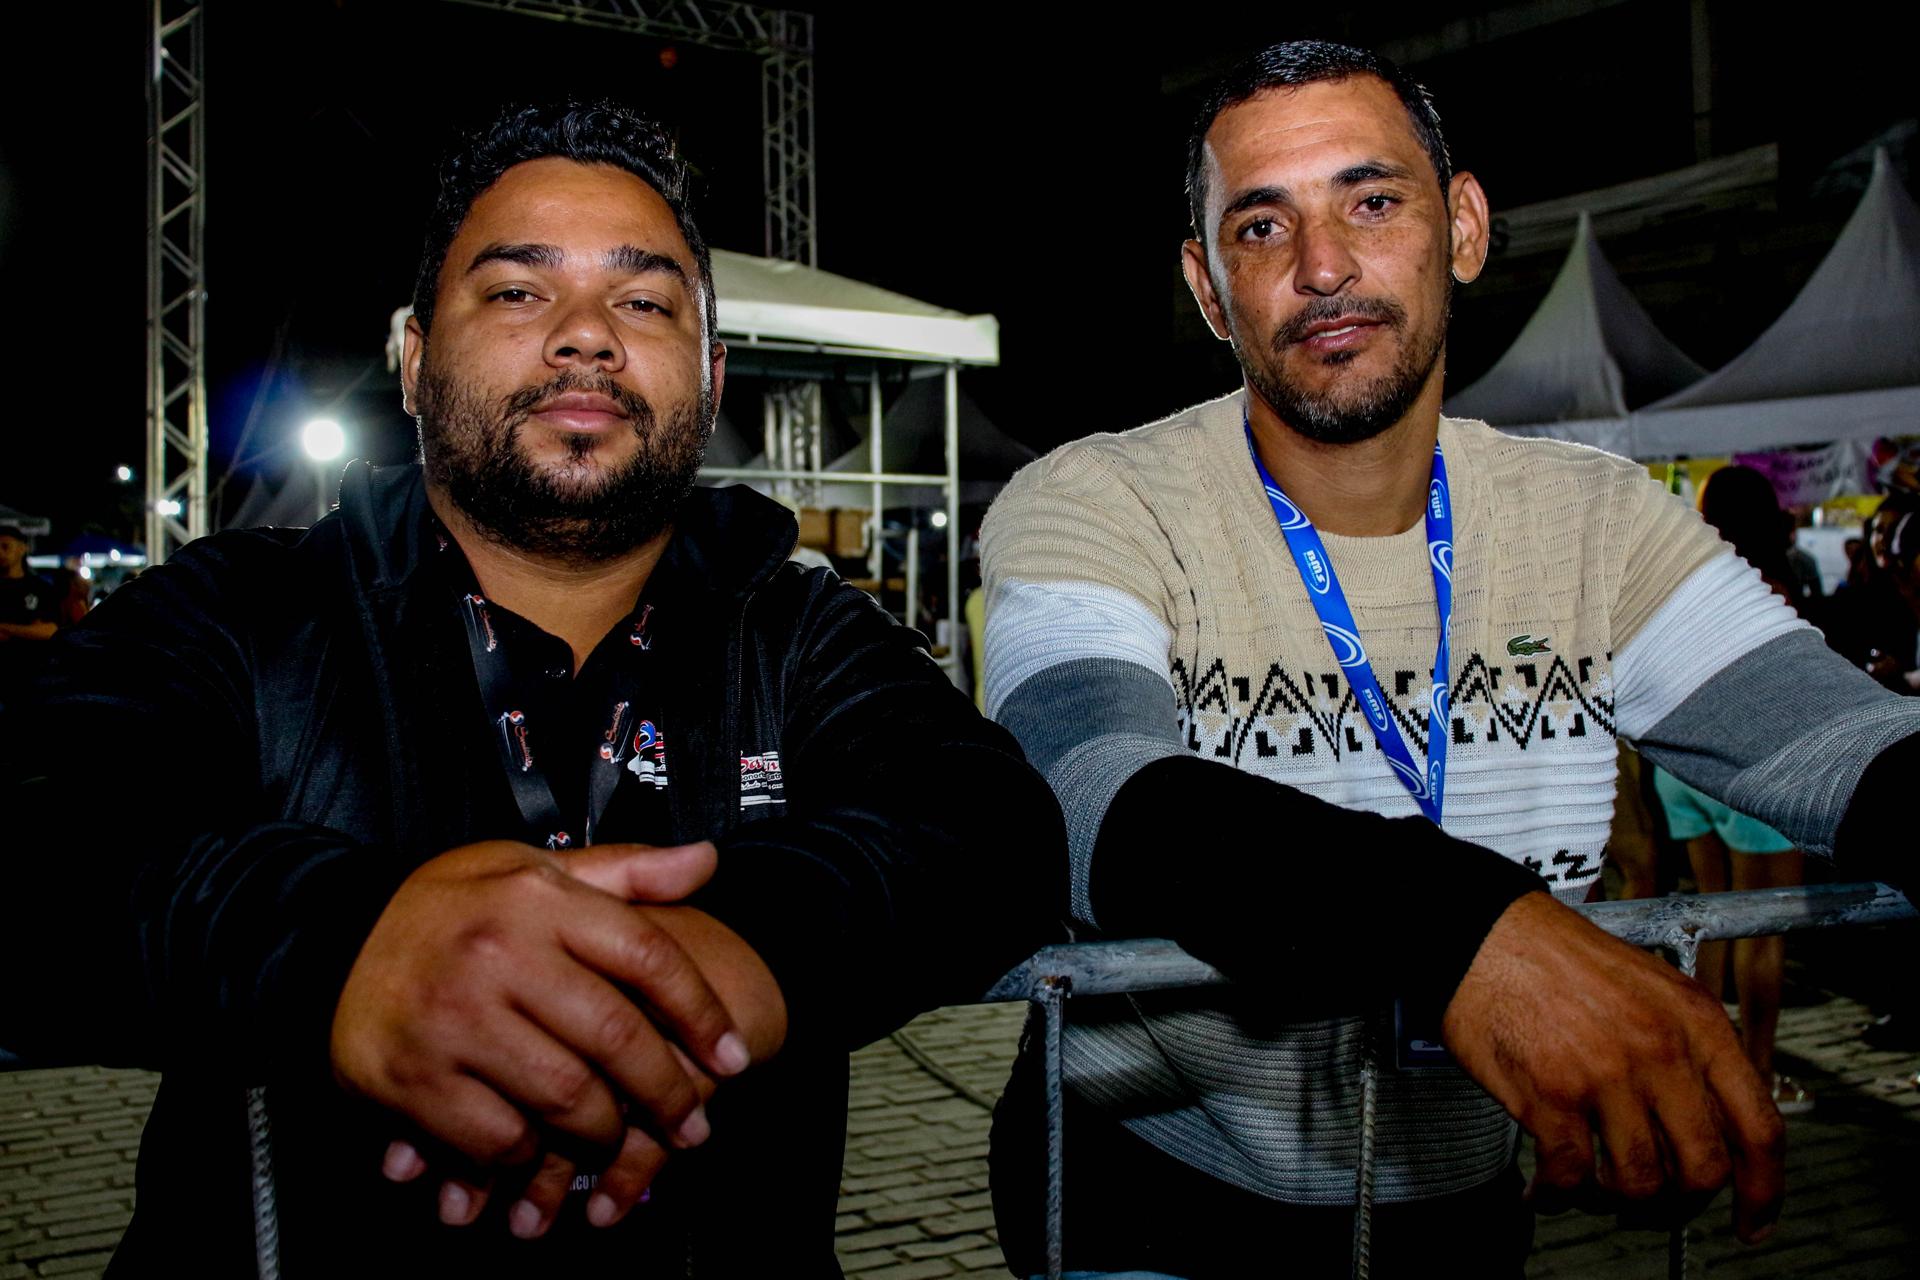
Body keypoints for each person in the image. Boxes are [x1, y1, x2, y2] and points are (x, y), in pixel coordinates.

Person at [2, 101, 1064, 1276]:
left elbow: (992, 821)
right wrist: (340, 943)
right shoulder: (246, 609)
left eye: (644, 302)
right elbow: (38, 814)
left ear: (711, 375)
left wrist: (749, 936)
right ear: (415, 361)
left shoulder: (797, 625)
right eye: (517, 290)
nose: (585, 335)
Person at [979, 41, 1919, 1278]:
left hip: (1459, 1205)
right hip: (1149, 1201)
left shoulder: (1593, 518)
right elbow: (1080, 781)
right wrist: (1458, 924)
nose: (1323, 265)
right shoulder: (1097, 499)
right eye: (1261, 226)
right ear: (1209, 288)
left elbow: (1835, 738)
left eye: (1372, 201)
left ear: (1463, 227)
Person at [1648, 465, 1812, 1113]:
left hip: (1683, 768)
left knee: (1712, 921)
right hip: (1752, 769)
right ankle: (1757, 1079)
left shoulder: (1684, 577)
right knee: (1762, 930)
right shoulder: (1769, 587)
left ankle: (1706, 1072)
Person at [0, 523, 59, 713]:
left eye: (5, 546)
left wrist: (6, 628)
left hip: (30, 678)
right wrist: (29, 629)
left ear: (22, 548)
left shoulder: (39, 589)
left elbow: (49, 631)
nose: (0, 553)